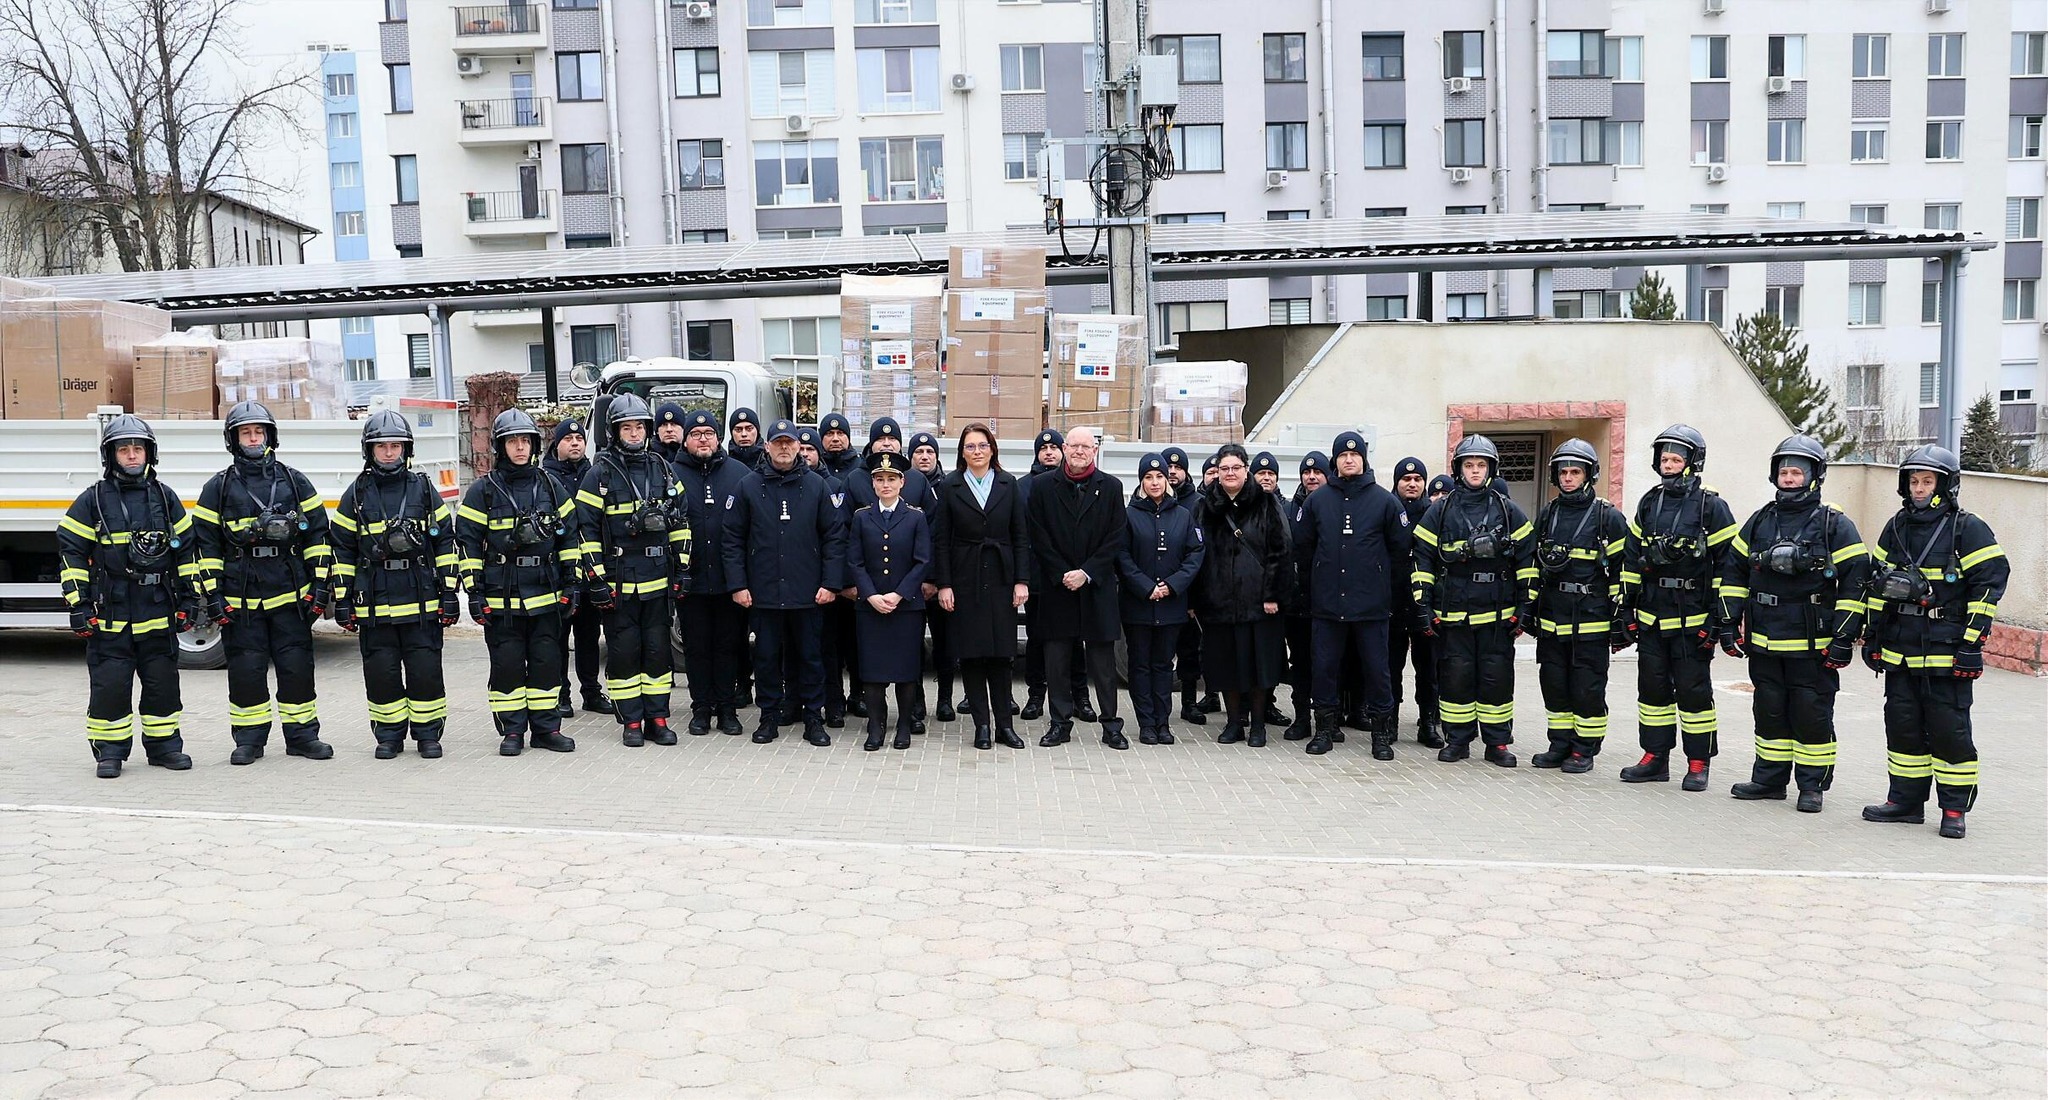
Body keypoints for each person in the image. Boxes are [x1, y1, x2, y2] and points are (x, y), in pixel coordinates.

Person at [1861, 445, 2007, 839]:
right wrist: (1872, 635)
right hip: (1900, 649)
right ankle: (1905, 802)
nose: (1920, 488)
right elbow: (1878, 583)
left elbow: (1989, 585)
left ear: (1946, 484)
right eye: (1914, 481)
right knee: (1903, 726)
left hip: (1947, 650)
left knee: (1950, 731)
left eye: (1927, 481)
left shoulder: (1967, 528)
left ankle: (1954, 808)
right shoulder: (1895, 526)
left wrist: (1972, 644)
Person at [1719, 435, 1870, 812]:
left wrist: (1844, 637)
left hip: (1812, 640)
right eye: (1783, 472)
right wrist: (1727, 621)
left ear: (1814, 476)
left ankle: (1812, 786)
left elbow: (1857, 579)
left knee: (1811, 711)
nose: (1789, 478)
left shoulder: (1834, 523)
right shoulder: (1760, 521)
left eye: (1796, 472)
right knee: (1769, 709)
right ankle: (1769, 779)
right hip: (1764, 638)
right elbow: (1734, 573)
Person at [59, 415, 203, 778]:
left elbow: (186, 552)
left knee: (163, 685)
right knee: (110, 687)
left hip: (157, 611)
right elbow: (70, 550)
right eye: (124, 449)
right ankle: (109, 752)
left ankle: (165, 747)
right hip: (111, 615)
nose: (132, 455)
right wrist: (79, 603)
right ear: (111, 455)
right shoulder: (92, 499)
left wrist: (189, 600)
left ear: (149, 453)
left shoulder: (166, 498)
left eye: (138, 448)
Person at [194, 401, 334, 765]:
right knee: (246, 670)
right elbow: (206, 545)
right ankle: (250, 741)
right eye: (246, 433)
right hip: (242, 598)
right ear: (234, 440)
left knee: (297, 668)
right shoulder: (219, 488)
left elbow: (318, 534)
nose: (253, 439)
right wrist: (213, 595)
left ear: (269, 436)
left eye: (258, 432)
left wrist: (320, 586)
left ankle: (303, 736)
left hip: (290, 594)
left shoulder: (293, 480)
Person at [1617, 424, 1741, 791]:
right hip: (1653, 617)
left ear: (1692, 463)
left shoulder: (1711, 507)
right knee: (1652, 692)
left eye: (1675, 459)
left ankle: (1698, 762)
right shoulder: (1649, 502)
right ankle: (1655, 757)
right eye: (1664, 459)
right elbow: (1631, 560)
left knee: (1693, 693)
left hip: (1693, 619)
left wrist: (1720, 619)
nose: (1668, 465)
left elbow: (1728, 566)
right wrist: (1627, 610)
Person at [331, 411, 459, 759]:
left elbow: (445, 541)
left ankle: (428, 735)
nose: (389, 453)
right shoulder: (356, 494)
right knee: (381, 672)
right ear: (369, 451)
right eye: (381, 446)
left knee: (425, 671)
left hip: (421, 601)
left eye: (395, 446)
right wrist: (342, 600)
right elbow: (341, 548)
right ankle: (389, 736)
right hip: (374, 602)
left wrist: (449, 594)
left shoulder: (423, 489)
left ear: (406, 449)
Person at [456, 410, 580, 756]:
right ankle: (512, 731)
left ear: (534, 445)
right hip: (502, 597)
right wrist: (474, 592)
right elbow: (466, 542)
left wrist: (572, 584)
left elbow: (570, 538)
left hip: (545, 594)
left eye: (525, 441)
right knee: (508, 666)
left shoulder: (551, 487)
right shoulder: (483, 491)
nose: (520, 447)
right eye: (513, 441)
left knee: (546, 664)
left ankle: (546, 729)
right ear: (501, 446)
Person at [572, 394, 691, 748]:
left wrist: (682, 569)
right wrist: (595, 579)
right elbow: (586, 530)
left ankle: (658, 718)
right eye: (628, 427)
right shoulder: (600, 474)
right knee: (624, 653)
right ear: (615, 431)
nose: (635, 433)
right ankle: (632, 721)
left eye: (640, 426)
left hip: (658, 579)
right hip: (619, 583)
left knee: (657, 651)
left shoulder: (663, 468)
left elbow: (681, 521)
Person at [1413, 435, 1535, 767]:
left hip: (1498, 614)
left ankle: (1497, 743)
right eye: (1469, 465)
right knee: (1456, 678)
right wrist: (1423, 606)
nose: (1475, 471)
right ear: (1459, 469)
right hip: (1454, 613)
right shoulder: (1440, 511)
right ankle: (1458, 739)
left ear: (1491, 469)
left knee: (1496, 679)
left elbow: (1527, 561)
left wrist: (1526, 607)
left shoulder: (1509, 511)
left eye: (1481, 465)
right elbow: (1422, 559)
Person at [723, 418, 846, 746]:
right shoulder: (748, 486)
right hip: (762, 593)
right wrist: (738, 584)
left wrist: (831, 583)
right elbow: (732, 538)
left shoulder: (817, 486)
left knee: (810, 657)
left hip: (808, 593)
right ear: (767, 446)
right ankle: (768, 717)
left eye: (789, 443)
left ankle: (812, 718)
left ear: (798, 447)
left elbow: (834, 537)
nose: (783, 448)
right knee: (765, 658)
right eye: (777, 443)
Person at [1294, 432, 1409, 757]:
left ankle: (1381, 736)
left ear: (1363, 459)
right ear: (1335, 461)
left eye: (1354, 454)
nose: (1348, 459)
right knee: (1325, 669)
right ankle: (1324, 731)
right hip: (1328, 605)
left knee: (1377, 671)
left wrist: (1387, 593)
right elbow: (1303, 548)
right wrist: (1312, 589)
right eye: (1342, 456)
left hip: (1371, 607)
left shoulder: (1384, 501)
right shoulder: (1318, 501)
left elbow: (1400, 552)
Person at [1527, 440, 1629, 774]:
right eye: (1563, 472)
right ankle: (1559, 743)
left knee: (1586, 688)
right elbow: (1535, 565)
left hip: (1591, 622)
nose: (1568, 478)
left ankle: (1584, 749)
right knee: (1554, 683)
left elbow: (1622, 571)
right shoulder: (1549, 513)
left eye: (1575, 472)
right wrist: (1529, 607)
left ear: (1589, 475)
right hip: (1553, 620)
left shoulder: (1607, 517)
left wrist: (1620, 618)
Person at [1027, 427, 1129, 749]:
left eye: (1086, 446)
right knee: (1056, 660)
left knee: (1103, 664)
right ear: (1064, 449)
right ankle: (1059, 723)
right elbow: (1038, 536)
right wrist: (1063, 573)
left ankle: (1111, 724)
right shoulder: (1043, 487)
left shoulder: (1111, 487)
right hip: (1058, 588)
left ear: (1095, 450)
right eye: (1074, 445)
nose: (1080, 451)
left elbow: (1116, 536)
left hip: (1096, 588)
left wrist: (1087, 572)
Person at [932, 423, 1031, 750]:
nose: (977, 451)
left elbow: (1020, 536)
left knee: (1002, 655)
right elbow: (941, 541)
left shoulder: (1008, 484)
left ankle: (1005, 724)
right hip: (965, 577)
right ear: (962, 452)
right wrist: (944, 584)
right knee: (973, 656)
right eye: (970, 446)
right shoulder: (951, 486)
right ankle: (982, 726)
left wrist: (1021, 580)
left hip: (1002, 578)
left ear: (992, 450)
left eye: (982, 445)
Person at [1192, 443, 1291, 748]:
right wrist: (1196, 600)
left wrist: (1272, 594)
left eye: (1236, 467)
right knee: (1226, 665)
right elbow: (1195, 554)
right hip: (1219, 602)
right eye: (1224, 469)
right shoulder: (1205, 506)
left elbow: (1281, 549)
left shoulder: (1266, 502)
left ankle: (1258, 725)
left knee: (1259, 665)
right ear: (1216, 473)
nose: (1230, 473)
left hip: (1259, 602)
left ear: (1246, 470)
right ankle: (1234, 723)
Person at [846, 451, 932, 751]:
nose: (886, 484)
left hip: (905, 607)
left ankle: (904, 725)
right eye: (880, 479)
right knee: (872, 670)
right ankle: (875, 726)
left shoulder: (915, 517)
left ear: (902, 482)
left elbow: (922, 561)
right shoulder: (861, 517)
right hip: (870, 607)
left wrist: (897, 594)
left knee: (905, 670)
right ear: (872, 484)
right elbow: (854, 561)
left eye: (891, 479)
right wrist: (870, 595)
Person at [673, 408, 751, 736]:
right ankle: (701, 708)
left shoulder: (739, 473)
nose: (702, 439)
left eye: (708, 434)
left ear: (718, 438)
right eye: (695, 434)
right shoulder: (671, 473)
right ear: (686, 440)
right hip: (690, 581)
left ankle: (728, 709)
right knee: (696, 648)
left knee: (728, 646)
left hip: (728, 580)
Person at [1119, 452, 1206, 746]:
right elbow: (1122, 556)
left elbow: (1195, 554)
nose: (1154, 482)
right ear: (1141, 482)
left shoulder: (1183, 515)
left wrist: (1172, 585)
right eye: (1148, 477)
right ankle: (1146, 723)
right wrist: (1145, 586)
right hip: (1138, 605)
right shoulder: (1129, 515)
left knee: (1163, 664)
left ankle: (1163, 722)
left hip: (1171, 606)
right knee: (1139, 664)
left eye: (1159, 476)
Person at [1018, 428, 1092, 723]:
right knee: (1037, 639)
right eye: (1042, 448)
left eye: (1053, 448)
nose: (1048, 453)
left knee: (1074, 641)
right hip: (1039, 579)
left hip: (1072, 577)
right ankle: (1036, 695)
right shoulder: (1023, 486)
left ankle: (1080, 697)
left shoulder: (1080, 484)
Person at [543, 416, 610, 718]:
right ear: (556, 444)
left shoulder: (597, 474)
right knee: (558, 637)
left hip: (590, 571)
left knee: (588, 636)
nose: (574, 444)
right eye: (568, 440)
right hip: (559, 573)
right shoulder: (545, 477)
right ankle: (561, 694)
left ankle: (592, 692)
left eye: (579, 439)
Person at [1384, 455, 1443, 749]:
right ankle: (1390, 722)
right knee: (1391, 668)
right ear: (1397, 483)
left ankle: (1428, 723)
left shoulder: (1435, 514)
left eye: (1418, 479)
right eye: (1406, 479)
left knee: (1428, 669)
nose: (1412, 483)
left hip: (1425, 606)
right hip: (1393, 603)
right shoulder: (1387, 510)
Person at [908, 430, 957, 723]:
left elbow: (947, 538)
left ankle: (946, 699)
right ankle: (916, 701)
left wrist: (938, 580)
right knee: (912, 645)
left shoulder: (950, 486)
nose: (924, 457)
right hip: (912, 583)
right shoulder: (901, 484)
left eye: (930, 452)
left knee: (945, 644)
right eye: (919, 452)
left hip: (941, 583)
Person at [1280, 452, 1329, 741]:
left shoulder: (1333, 504)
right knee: (1299, 664)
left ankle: (1328, 721)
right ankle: (1301, 718)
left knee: (1328, 664)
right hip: (1298, 602)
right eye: (1306, 472)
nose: (1311, 477)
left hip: (1329, 601)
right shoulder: (1290, 508)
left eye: (1317, 472)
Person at [727, 407, 765, 471]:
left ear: (757, 431)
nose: (744, 434)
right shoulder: (724, 465)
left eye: (749, 429)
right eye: (738, 430)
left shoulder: (770, 463)